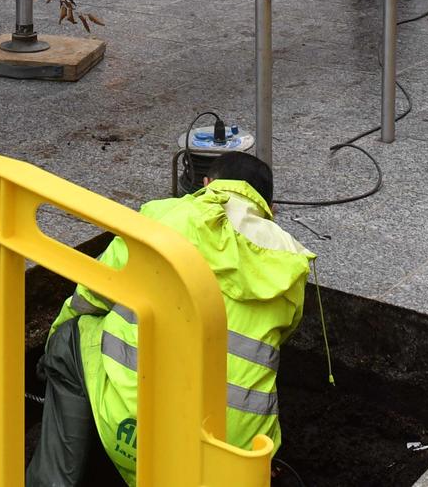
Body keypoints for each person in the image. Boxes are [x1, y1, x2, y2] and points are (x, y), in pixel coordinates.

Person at [27, 152, 312, 487]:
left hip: (135, 439)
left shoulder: (166, 217)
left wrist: (51, 356)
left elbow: (92, 293)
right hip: (234, 463)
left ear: (207, 185)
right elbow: (279, 336)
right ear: (271, 208)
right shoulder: (290, 264)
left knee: (70, 336)